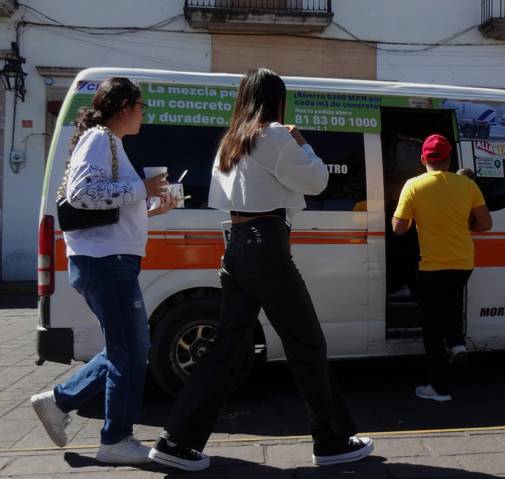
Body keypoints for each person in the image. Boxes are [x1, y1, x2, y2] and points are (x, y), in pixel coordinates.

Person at [149, 68, 373, 472]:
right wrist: (302, 141)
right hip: (266, 245)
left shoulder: (231, 140)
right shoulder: (274, 136)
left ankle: (176, 440)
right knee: (307, 343)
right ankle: (331, 441)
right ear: (276, 100)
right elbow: (318, 181)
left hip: (236, 246)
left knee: (225, 351)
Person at [30, 77, 174, 464]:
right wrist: (142, 188)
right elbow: (83, 195)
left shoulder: (108, 142)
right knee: (130, 353)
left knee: (128, 349)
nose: (143, 113)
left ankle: (57, 402)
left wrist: (150, 207)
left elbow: (106, 207)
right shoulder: (100, 139)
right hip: (106, 263)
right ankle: (115, 440)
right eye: (141, 106)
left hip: (107, 261)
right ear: (124, 107)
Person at [391, 134, 492, 402]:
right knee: (452, 303)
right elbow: (485, 224)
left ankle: (439, 388)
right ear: (449, 159)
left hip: (433, 265)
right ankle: (457, 345)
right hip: (464, 262)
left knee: (432, 325)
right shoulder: (468, 185)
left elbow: (399, 229)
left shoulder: (413, 185)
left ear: (423, 159)